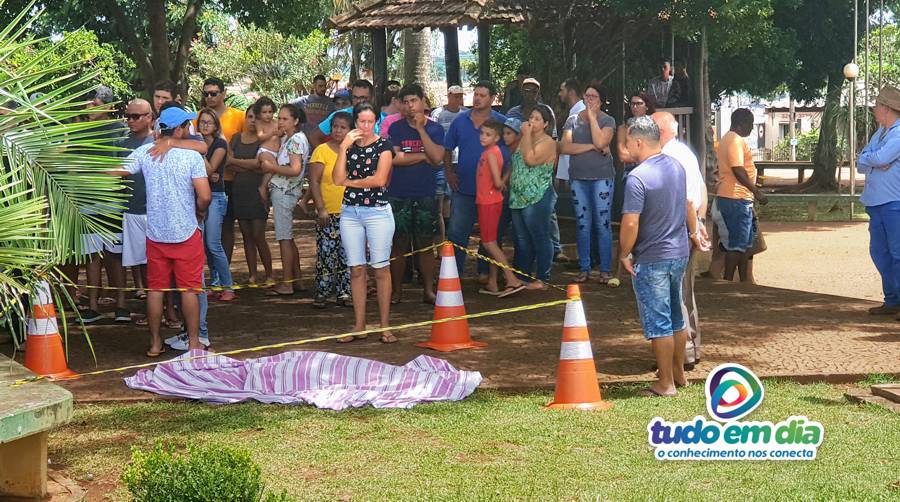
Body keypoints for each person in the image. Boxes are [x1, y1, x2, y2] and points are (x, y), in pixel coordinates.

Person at [113, 104, 211, 356]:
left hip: (156, 232)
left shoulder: (146, 152)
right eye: (186, 125)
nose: (189, 128)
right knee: (189, 289)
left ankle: (155, 343)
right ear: (178, 129)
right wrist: (200, 210)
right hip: (186, 231)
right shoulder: (191, 157)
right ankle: (193, 342)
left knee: (155, 290)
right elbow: (205, 196)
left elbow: (117, 171)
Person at [619, 116, 707, 397]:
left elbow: (631, 223)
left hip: (652, 256)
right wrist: (693, 234)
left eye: (627, 142)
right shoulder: (676, 167)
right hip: (678, 252)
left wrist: (623, 253)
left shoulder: (637, 177)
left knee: (659, 323)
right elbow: (688, 205)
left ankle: (665, 383)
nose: (626, 147)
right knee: (676, 317)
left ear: (638, 141)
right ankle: (679, 374)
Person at [332, 103, 396, 344]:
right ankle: (359, 324)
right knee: (356, 268)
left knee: (380, 268)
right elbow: (337, 178)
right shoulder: (347, 147)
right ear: (355, 122)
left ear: (376, 122)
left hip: (377, 211)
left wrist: (350, 182)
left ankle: (385, 326)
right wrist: (343, 147)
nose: (366, 127)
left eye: (370, 122)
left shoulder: (384, 146)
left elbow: (380, 180)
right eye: (361, 122)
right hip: (350, 212)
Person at [653, 111, 707, 369]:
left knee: (676, 294)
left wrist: (694, 230)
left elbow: (687, 199)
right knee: (686, 292)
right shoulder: (685, 152)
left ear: (660, 131)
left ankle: (682, 355)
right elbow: (701, 192)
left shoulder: (671, 157)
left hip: (680, 228)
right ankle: (691, 349)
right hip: (689, 224)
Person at [386, 83, 445, 304]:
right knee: (398, 244)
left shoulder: (435, 129)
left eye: (414, 101)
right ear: (401, 105)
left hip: (425, 193)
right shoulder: (396, 128)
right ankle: (397, 291)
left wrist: (421, 130)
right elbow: (396, 159)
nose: (410, 106)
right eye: (406, 102)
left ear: (423, 102)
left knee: (425, 244)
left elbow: (438, 157)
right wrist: (422, 156)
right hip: (399, 193)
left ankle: (428, 290)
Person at [444, 80, 508, 273]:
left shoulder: (500, 122)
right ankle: (453, 274)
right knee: (457, 233)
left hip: (490, 191)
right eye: (476, 94)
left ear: (492, 98)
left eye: (482, 95)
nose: (477, 98)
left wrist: (503, 180)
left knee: (491, 235)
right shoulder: (460, 120)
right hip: (464, 188)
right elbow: (447, 148)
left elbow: (511, 151)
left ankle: (486, 273)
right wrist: (449, 173)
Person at [79, 85, 129, 324]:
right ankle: (92, 305)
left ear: (108, 105)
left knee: (114, 254)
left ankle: (121, 304)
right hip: (86, 201)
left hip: (111, 202)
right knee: (91, 255)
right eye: (87, 103)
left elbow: (124, 168)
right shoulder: (80, 131)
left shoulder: (120, 130)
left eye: (95, 103)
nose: (89, 107)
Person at [561, 83, 616, 284]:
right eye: (587, 96)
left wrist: (593, 118)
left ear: (601, 101)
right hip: (579, 178)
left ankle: (605, 269)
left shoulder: (607, 120)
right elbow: (565, 147)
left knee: (602, 224)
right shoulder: (572, 120)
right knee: (583, 224)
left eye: (594, 96)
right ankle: (584, 268)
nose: (589, 99)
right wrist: (592, 146)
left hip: (602, 177)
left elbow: (603, 142)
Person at [858, 86, 900, 319]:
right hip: (877, 201)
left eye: (876, 106)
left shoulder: (898, 133)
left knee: (897, 252)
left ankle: (896, 299)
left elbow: (880, 157)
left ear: (885, 108)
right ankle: (892, 299)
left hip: (895, 200)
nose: (874, 109)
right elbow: (861, 161)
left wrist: (872, 159)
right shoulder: (880, 134)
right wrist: (873, 160)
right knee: (879, 252)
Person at [260, 104, 310, 296]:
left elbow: (295, 169)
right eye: (279, 118)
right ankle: (297, 280)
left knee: (284, 238)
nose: (280, 122)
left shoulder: (295, 140)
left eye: (285, 119)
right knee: (287, 237)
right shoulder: (292, 139)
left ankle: (287, 283)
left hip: (284, 191)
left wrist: (271, 168)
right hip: (286, 191)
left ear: (295, 121)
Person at [713, 108, 767, 282]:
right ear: (741, 123)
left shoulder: (727, 139)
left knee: (745, 245)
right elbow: (738, 170)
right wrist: (756, 191)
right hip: (736, 197)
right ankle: (729, 281)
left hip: (738, 198)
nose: (751, 129)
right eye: (750, 125)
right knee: (737, 245)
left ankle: (743, 282)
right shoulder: (734, 140)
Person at [509, 105, 558, 289]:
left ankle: (543, 277)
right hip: (518, 196)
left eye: (537, 119)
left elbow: (530, 159)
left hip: (537, 197)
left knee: (540, 236)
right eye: (531, 117)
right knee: (521, 238)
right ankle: (523, 274)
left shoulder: (548, 143)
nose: (532, 122)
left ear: (545, 124)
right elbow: (514, 157)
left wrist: (526, 135)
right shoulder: (524, 138)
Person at [476, 119, 526, 297]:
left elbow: (497, 182)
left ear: (496, 137)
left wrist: (503, 180)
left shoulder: (491, 153)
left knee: (489, 243)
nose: (483, 137)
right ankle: (493, 281)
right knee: (492, 242)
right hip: (487, 200)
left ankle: (511, 279)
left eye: (488, 134)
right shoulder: (491, 151)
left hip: (489, 201)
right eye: (482, 133)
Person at [308, 112, 353, 309]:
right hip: (328, 212)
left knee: (348, 253)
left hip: (351, 212)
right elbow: (314, 181)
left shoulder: (355, 152)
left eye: (343, 127)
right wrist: (320, 209)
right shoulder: (321, 151)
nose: (338, 130)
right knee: (326, 254)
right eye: (335, 126)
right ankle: (322, 292)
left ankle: (345, 293)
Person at [200, 77, 245, 267]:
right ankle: (214, 272)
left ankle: (224, 269)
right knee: (206, 228)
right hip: (204, 181)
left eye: (214, 93)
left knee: (227, 226)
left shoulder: (239, 116)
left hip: (232, 179)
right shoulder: (199, 117)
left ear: (223, 94)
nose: (209, 97)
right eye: (206, 93)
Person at [228, 107, 273, 285]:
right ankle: (252, 274)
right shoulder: (237, 138)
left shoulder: (265, 140)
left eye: (257, 117)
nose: (253, 121)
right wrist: (250, 165)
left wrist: (239, 163)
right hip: (240, 190)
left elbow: (262, 165)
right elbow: (228, 164)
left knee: (258, 234)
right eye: (250, 117)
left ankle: (269, 274)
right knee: (246, 233)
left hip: (257, 190)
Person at [119, 99, 154, 311]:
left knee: (155, 264)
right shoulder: (122, 143)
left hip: (154, 211)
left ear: (149, 117)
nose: (130, 121)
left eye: (135, 116)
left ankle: (167, 310)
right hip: (131, 209)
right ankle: (150, 310)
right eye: (128, 116)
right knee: (139, 262)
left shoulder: (159, 142)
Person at [196, 108, 235, 301]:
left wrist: (199, 150)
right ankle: (214, 282)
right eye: (201, 122)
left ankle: (228, 286)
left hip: (217, 196)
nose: (204, 125)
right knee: (204, 244)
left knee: (213, 243)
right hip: (200, 195)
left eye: (208, 122)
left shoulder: (220, 143)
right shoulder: (196, 142)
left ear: (215, 126)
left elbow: (210, 168)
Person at [431, 85, 467, 239]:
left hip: (460, 160)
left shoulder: (465, 113)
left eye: (460, 96)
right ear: (449, 96)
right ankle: (443, 235)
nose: (458, 99)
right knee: (442, 197)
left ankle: (455, 232)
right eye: (455, 96)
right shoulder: (438, 113)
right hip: (443, 159)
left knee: (456, 195)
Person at [315, 79, 383, 144]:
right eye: (355, 97)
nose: (359, 101)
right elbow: (314, 137)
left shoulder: (382, 119)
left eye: (363, 98)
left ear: (372, 98)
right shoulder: (339, 116)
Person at [555, 78, 585, 184]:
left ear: (571, 92)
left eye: (562, 90)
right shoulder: (573, 112)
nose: (559, 94)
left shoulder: (581, 113)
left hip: (577, 174)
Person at [293, 74, 335, 147]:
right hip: (305, 142)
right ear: (314, 86)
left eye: (324, 86)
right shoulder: (302, 101)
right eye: (320, 86)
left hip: (322, 142)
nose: (323, 88)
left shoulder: (331, 103)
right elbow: (287, 110)